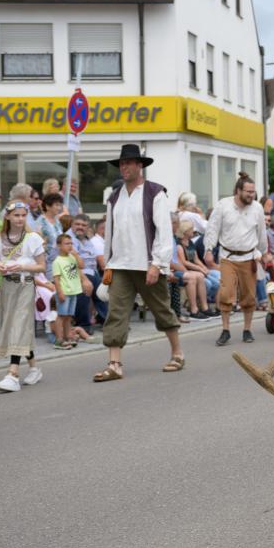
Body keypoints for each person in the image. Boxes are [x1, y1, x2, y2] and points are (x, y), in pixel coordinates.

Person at [93, 144, 185, 381]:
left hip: (147, 264)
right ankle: (114, 364)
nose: (124, 167)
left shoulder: (155, 193)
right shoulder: (114, 197)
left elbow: (164, 232)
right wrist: (108, 263)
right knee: (116, 313)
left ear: (139, 165)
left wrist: (157, 264)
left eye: (128, 163)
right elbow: (110, 233)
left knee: (161, 310)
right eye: (122, 163)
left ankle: (177, 353)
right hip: (121, 265)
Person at [204, 172, 270, 346]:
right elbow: (212, 228)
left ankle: (247, 330)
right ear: (238, 190)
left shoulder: (257, 208)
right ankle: (225, 330)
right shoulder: (223, 205)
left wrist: (264, 252)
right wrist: (209, 249)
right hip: (228, 257)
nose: (251, 195)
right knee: (225, 294)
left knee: (249, 296)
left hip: (249, 257)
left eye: (253, 192)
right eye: (248, 192)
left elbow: (261, 233)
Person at [0, 200, 46, 393]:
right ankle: (34, 368)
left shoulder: (33, 238)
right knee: (14, 325)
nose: (20, 219)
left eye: (23, 215)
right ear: (7, 216)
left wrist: (22, 266)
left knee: (19, 324)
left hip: (25, 285)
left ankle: (12, 373)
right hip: (7, 286)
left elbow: (41, 266)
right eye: (16, 215)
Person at [66, 215, 99, 338]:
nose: (80, 227)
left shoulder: (87, 240)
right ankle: (83, 324)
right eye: (77, 224)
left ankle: (107, 319)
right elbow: (72, 263)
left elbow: (92, 260)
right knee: (86, 285)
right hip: (68, 271)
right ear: (72, 225)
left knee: (104, 286)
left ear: (88, 228)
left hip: (89, 271)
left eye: (84, 225)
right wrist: (85, 279)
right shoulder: (68, 239)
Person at [173, 220, 210, 318]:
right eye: (191, 229)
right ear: (185, 231)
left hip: (181, 269)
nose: (193, 231)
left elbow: (195, 259)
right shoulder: (177, 243)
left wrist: (203, 268)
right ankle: (194, 310)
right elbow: (179, 263)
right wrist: (188, 271)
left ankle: (204, 307)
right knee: (192, 277)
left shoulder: (189, 242)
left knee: (200, 276)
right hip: (175, 271)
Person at [52, 233, 83, 350]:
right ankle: (59, 340)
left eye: (71, 243)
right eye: (66, 244)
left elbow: (81, 265)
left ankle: (67, 337)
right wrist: (60, 292)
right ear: (59, 245)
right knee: (61, 315)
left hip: (74, 291)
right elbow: (56, 279)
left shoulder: (72, 257)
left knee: (69, 316)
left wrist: (77, 255)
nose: (70, 246)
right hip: (64, 292)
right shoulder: (57, 261)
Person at [32, 192, 64, 280]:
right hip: (47, 263)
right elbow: (37, 245)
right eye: (56, 205)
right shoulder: (40, 222)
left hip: (60, 261)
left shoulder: (57, 221)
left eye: (60, 205)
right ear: (47, 206)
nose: (59, 208)